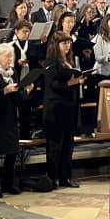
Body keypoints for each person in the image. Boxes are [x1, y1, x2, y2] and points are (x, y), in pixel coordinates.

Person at [0, 44, 31, 197]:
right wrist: (3, 91)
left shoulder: (13, 73)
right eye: (6, 56)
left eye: (11, 56)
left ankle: (7, 183)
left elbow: (18, 98)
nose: (10, 59)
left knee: (12, 151)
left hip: (11, 117)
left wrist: (25, 92)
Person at [43, 31, 85, 188]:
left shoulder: (69, 61)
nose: (67, 46)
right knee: (55, 146)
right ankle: (52, 178)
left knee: (68, 144)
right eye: (63, 43)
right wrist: (71, 84)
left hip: (69, 107)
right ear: (56, 45)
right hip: (55, 108)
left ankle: (65, 178)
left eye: (68, 43)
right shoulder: (50, 61)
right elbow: (52, 84)